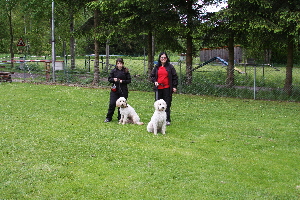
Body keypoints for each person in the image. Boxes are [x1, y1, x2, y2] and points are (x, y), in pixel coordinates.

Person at [149, 52, 178, 126]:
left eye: (164, 57)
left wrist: (174, 86)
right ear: (159, 58)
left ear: (167, 58)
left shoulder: (170, 67)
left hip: (167, 88)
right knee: (158, 104)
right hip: (159, 88)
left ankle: (167, 120)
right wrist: (155, 81)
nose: (163, 59)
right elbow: (152, 76)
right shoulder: (156, 67)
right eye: (162, 57)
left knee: (167, 104)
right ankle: (158, 119)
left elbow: (175, 77)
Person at [104, 58, 131, 122]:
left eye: (121, 63)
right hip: (115, 90)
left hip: (123, 90)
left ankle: (120, 118)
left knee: (122, 105)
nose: (119, 65)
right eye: (118, 63)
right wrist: (114, 79)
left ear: (123, 64)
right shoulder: (113, 71)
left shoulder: (126, 71)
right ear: (116, 64)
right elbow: (109, 79)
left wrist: (122, 81)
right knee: (112, 103)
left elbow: (129, 80)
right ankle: (108, 117)